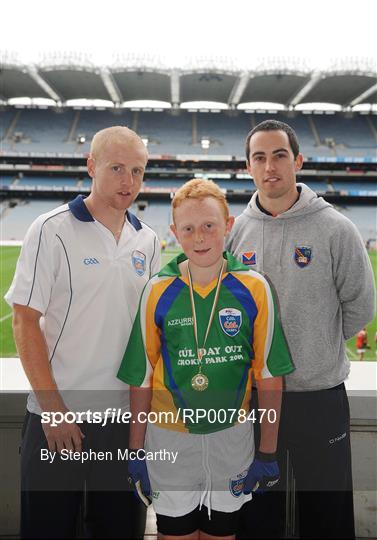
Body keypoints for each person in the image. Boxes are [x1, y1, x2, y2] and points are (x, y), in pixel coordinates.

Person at [5, 126, 160, 539]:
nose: (129, 182)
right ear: (91, 166)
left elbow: (146, 335)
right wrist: (54, 411)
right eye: (116, 168)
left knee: (119, 531)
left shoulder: (147, 240)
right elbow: (24, 320)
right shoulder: (51, 228)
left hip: (123, 422)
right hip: (60, 420)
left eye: (138, 171)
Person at [117, 178, 295, 540]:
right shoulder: (158, 290)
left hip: (232, 438)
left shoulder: (255, 288)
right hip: (169, 439)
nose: (199, 237)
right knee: (176, 535)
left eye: (209, 226)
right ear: (174, 233)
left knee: (221, 535)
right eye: (188, 228)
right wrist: (135, 449)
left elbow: (269, 376)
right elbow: (142, 377)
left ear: (228, 226)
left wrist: (268, 451)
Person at [226, 119, 376, 539]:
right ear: (248, 167)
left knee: (327, 515)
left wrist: (316, 345)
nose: (270, 166)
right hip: (254, 398)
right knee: (257, 516)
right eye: (260, 157)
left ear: (298, 161)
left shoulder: (335, 228)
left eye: (279, 155)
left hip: (319, 397)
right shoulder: (236, 231)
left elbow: (361, 304)